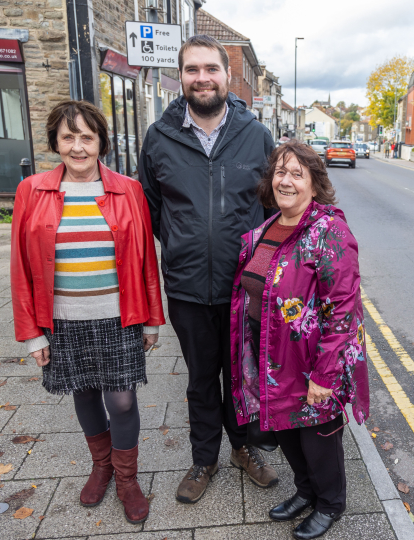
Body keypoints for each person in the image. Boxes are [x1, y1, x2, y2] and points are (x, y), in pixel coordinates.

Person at [139, 34, 279, 505]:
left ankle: (243, 448)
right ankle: (204, 458)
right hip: (186, 287)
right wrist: (185, 244)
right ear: (181, 77)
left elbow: (273, 208)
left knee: (240, 375)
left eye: (210, 69)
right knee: (201, 378)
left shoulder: (255, 135)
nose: (202, 78)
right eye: (192, 69)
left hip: (244, 288)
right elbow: (153, 210)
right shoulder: (160, 138)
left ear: (226, 74)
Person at [11, 100, 165, 524]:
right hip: (62, 318)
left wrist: (153, 318)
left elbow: (146, 260)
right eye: (68, 137)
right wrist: (32, 333)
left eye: (87, 137)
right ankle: (102, 466)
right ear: (55, 143)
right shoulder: (32, 190)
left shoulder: (128, 190)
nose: (78, 147)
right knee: (83, 392)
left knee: (122, 399)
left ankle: (127, 478)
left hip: (118, 315)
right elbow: (21, 266)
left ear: (101, 142)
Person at [230, 141, 370, 539]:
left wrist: (325, 376)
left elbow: (344, 310)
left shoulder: (330, 232)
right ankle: (306, 491)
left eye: (297, 173)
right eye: (280, 171)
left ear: (314, 184)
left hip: (312, 362)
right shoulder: (268, 227)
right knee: (287, 431)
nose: (286, 181)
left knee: (318, 439)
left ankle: (330, 503)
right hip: (271, 353)